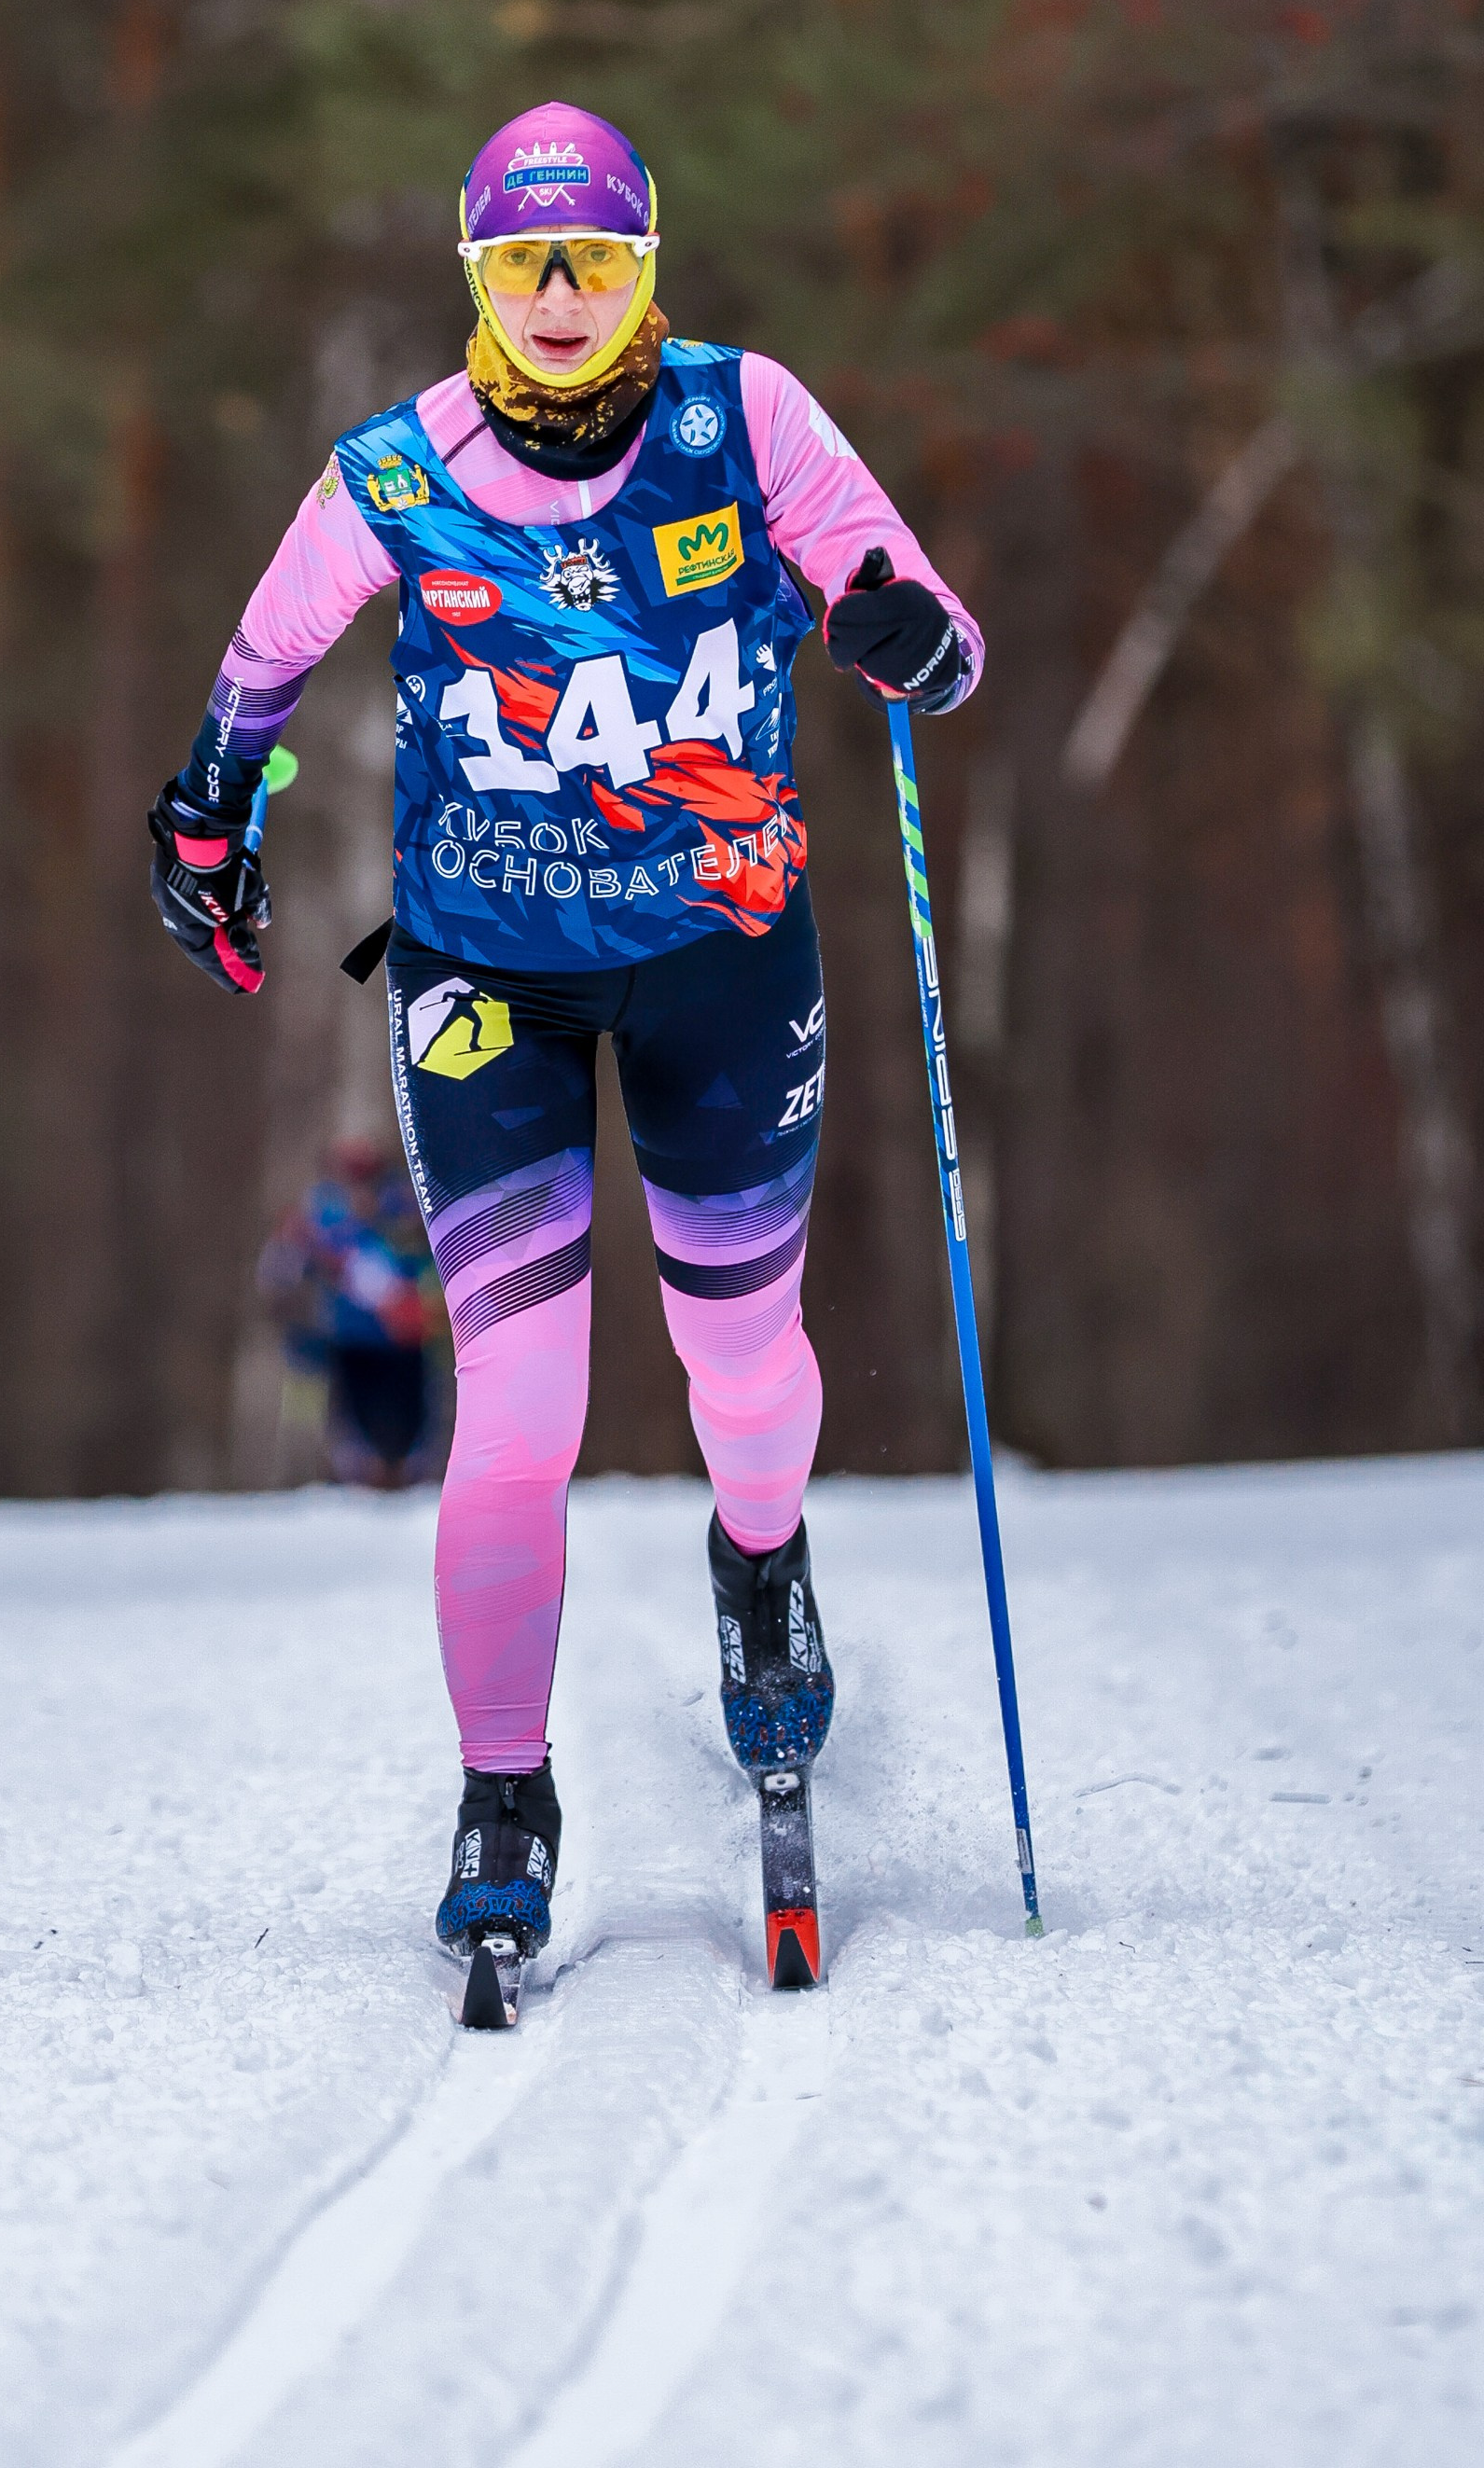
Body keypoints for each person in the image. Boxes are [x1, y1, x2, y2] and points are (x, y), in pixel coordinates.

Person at [148, 104, 980, 1968]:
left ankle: (759, 1561)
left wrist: (902, 634)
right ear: (470, 275)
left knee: (737, 1367)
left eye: (588, 263)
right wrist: (212, 812)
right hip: (481, 979)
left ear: (642, 269)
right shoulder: (397, 469)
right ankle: (501, 1790)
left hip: (721, 953)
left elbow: (924, 612)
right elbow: (262, 660)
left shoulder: (744, 419)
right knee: (518, 1409)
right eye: (517, 263)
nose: (550, 298)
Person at [258, 1140, 446, 1489]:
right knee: (350, 1415)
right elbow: (285, 1270)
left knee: (411, 1415)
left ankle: (410, 1475)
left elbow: (431, 1256)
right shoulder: (322, 1210)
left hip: (405, 1337)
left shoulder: (406, 1202)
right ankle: (355, 1476)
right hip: (348, 1338)